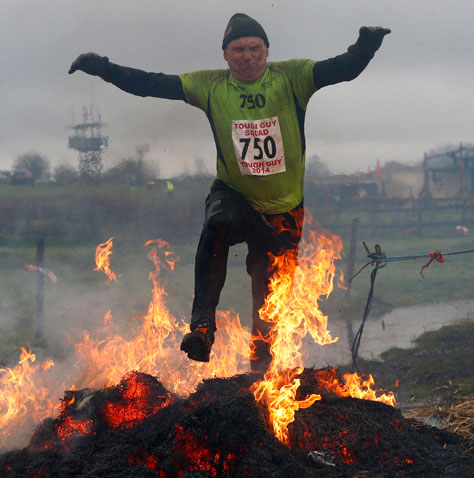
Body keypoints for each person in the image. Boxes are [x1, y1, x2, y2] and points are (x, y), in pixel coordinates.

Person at [69, 13, 389, 372]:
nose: (247, 56)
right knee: (217, 222)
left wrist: (366, 47)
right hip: (235, 194)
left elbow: (341, 69)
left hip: (284, 212)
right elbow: (150, 84)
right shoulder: (210, 85)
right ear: (225, 55)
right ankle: (202, 328)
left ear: (267, 51)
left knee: (268, 302)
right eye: (238, 49)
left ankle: (261, 374)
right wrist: (104, 68)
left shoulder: (293, 76)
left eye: (254, 48)